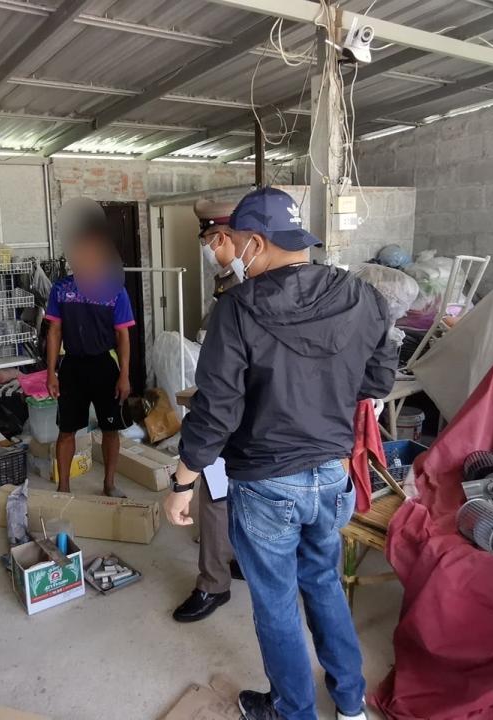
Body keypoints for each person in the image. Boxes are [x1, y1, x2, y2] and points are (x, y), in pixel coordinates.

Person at [162, 187, 397, 720]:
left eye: (234, 241)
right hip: (332, 477)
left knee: (275, 603)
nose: (230, 254)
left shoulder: (237, 309)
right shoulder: (362, 296)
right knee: (324, 584)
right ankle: (351, 705)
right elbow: (378, 381)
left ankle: (293, 711)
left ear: (255, 241)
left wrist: (182, 482)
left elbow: (216, 410)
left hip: (267, 482)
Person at [171, 198, 244, 624]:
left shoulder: (242, 287)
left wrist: (183, 476)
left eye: (208, 240)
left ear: (223, 238)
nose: (206, 249)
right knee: (229, 495)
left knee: (215, 498)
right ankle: (233, 561)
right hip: (241, 412)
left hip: (230, 416)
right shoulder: (233, 282)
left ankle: (214, 583)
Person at [45, 208, 134, 496]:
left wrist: (124, 375)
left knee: (111, 429)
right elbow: (54, 331)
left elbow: (123, 336)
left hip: (104, 366)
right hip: (72, 366)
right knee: (66, 430)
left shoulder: (115, 291)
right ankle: (64, 488)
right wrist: (51, 373)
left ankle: (109, 484)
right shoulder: (61, 289)